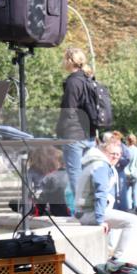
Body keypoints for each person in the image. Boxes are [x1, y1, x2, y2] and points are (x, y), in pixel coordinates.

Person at [75, 139, 137, 261]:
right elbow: (100, 193)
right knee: (133, 221)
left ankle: (108, 254)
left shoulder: (94, 162)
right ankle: (116, 259)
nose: (115, 156)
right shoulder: (101, 165)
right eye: (112, 153)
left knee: (115, 218)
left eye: (118, 154)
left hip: (84, 211)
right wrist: (100, 220)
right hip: (89, 213)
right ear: (104, 152)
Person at [56, 47, 98, 197]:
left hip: (74, 134)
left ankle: (81, 210)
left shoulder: (73, 82)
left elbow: (69, 109)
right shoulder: (89, 79)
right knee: (88, 174)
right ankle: (92, 208)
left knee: (75, 174)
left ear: (69, 61)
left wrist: (59, 131)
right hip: (90, 134)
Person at [123, 134, 137, 212]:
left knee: (128, 192)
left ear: (127, 141)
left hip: (127, 173)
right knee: (136, 192)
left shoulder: (126, 150)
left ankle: (129, 208)